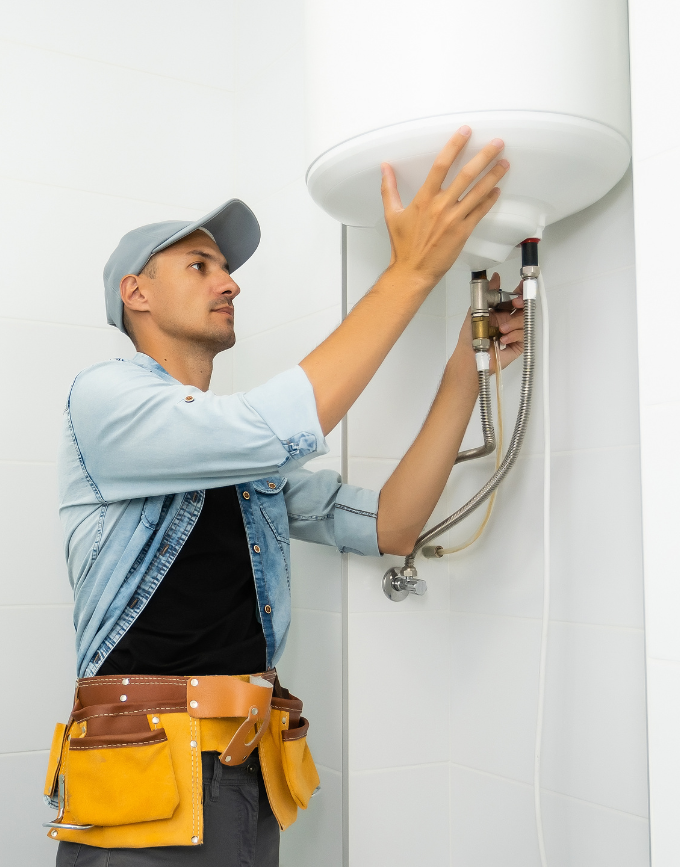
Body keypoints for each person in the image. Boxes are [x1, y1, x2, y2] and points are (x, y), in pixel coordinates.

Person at [50, 128, 522, 866]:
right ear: (135, 294)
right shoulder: (104, 399)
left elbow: (392, 524)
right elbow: (273, 429)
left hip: (244, 773)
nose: (230, 283)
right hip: (141, 776)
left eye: (227, 269)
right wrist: (411, 271)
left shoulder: (236, 461)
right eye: (200, 265)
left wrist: (470, 361)